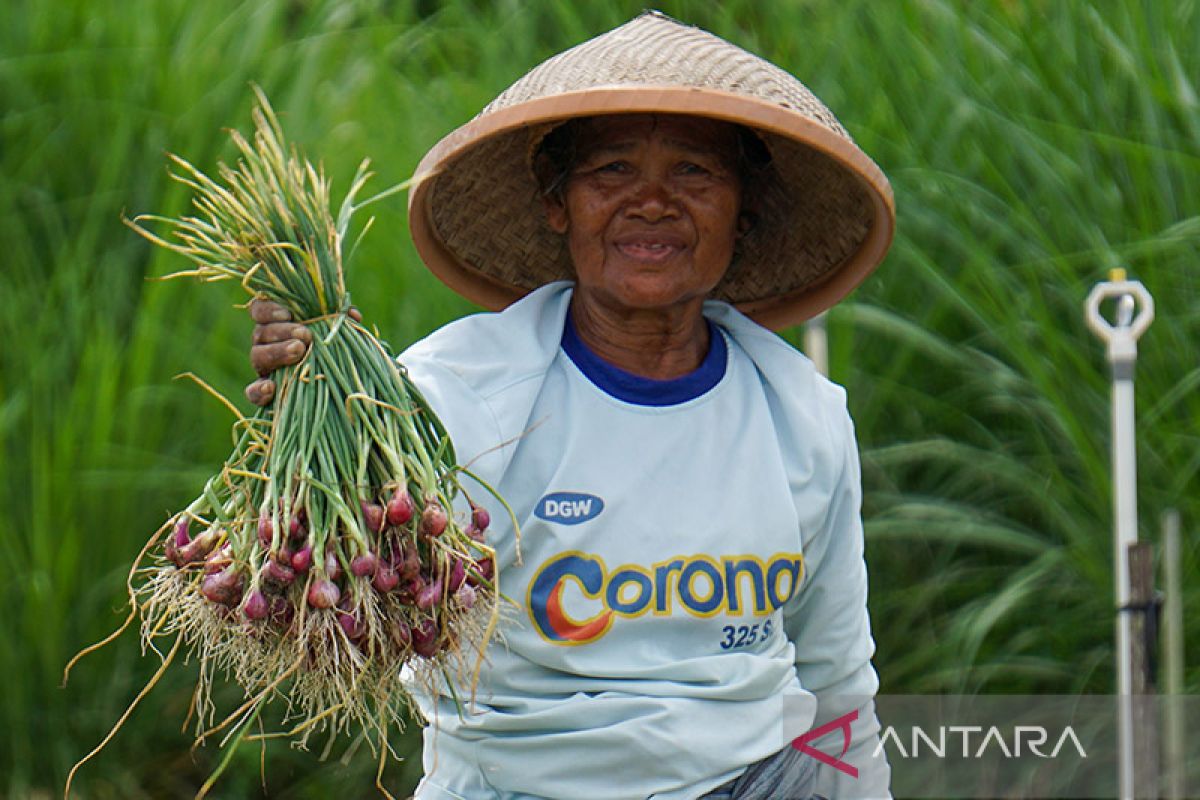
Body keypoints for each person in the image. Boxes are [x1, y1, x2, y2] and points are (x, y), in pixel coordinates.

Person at [248, 12, 894, 799]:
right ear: (559, 206)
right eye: (611, 171)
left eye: (695, 173)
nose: (652, 203)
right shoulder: (456, 395)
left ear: (743, 211)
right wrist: (316, 427)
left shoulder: (801, 416)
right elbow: (364, 581)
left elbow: (836, 679)